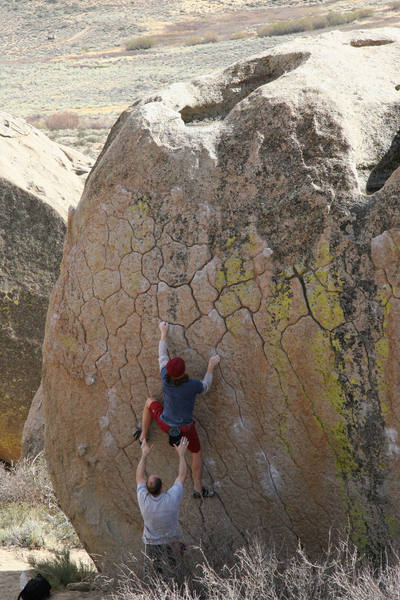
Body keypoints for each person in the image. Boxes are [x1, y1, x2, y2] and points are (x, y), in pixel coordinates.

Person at [137, 321, 220, 498]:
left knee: (149, 402)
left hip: (165, 423)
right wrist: (211, 366)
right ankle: (198, 488)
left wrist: (163, 333)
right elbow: (206, 386)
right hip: (185, 428)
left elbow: (162, 356)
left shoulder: (165, 379)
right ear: (183, 372)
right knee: (196, 452)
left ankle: (143, 436)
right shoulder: (192, 385)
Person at [136, 436, 189, 572]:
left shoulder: (144, 500)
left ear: (147, 488)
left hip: (152, 545)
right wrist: (181, 455)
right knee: (175, 572)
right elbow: (182, 476)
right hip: (172, 543)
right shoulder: (170, 499)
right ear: (162, 487)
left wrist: (144, 455)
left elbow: (139, 477)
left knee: (153, 576)